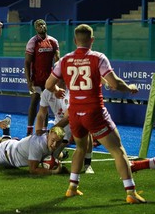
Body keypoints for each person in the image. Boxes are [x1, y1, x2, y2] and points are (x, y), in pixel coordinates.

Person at [45, 24, 145, 204]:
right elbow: (114, 84)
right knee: (118, 150)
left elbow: (48, 84)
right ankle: (130, 192)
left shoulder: (65, 60)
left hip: (75, 113)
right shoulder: (98, 58)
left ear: (75, 41)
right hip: (94, 112)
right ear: (92, 40)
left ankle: (72, 188)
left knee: (80, 148)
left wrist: (57, 89)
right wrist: (129, 88)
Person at [35, 83, 94, 174]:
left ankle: (87, 164)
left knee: (86, 134)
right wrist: (38, 131)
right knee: (49, 156)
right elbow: (41, 114)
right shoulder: (46, 92)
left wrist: (50, 131)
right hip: (60, 122)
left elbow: (68, 118)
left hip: (77, 120)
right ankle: (62, 155)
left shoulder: (72, 92)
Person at [25, 19, 60, 136]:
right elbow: (27, 63)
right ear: (36, 28)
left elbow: (58, 61)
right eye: (39, 25)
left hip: (49, 80)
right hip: (36, 79)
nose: (42, 26)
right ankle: (29, 130)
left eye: (44, 24)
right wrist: (29, 80)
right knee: (35, 101)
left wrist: (58, 77)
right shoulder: (33, 42)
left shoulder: (53, 41)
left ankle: (44, 130)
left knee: (46, 103)